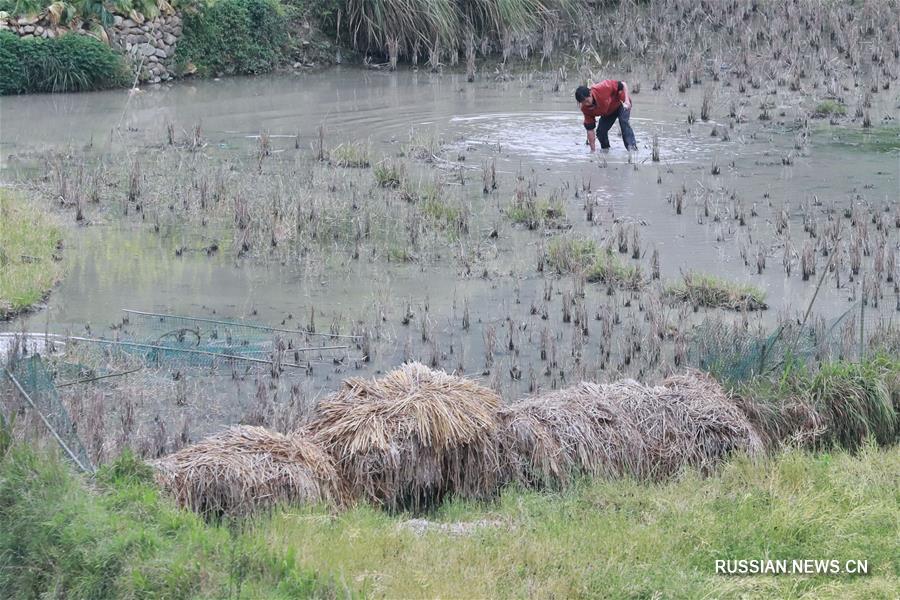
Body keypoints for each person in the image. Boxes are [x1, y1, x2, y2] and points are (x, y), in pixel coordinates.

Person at [575, 80, 637, 152]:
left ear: (590, 93)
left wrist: (626, 100)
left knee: (623, 121)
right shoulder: (585, 108)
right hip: (608, 111)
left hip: (622, 103)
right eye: (583, 102)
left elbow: (623, 84)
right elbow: (590, 130)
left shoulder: (603, 87)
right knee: (600, 132)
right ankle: (605, 150)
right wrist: (592, 151)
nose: (586, 104)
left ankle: (632, 149)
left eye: (587, 101)